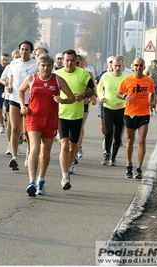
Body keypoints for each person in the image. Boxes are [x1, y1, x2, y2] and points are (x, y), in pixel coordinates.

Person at [18, 54, 75, 196]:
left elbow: (72, 97)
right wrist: (22, 106)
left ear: (52, 66)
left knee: (45, 153)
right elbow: (20, 90)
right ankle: (31, 182)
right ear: (38, 66)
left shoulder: (57, 80)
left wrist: (63, 100)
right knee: (35, 148)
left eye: (48, 65)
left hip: (50, 120)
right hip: (33, 118)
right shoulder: (32, 78)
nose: (45, 68)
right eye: (43, 65)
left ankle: (41, 180)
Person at [55, 49, 96, 190]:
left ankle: (69, 164)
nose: (69, 63)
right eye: (67, 60)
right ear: (62, 60)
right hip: (61, 115)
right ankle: (65, 176)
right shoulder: (57, 74)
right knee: (64, 146)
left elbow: (92, 90)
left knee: (73, 148)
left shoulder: (83, 74)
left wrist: (84, 96)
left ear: (75, 61)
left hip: (77, 116)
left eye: (72, 60)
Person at [117, 57, 156, 180]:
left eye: (141, 65)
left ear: (144, 67)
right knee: (130, 140)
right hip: (130, 113)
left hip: (144, 113)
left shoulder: (148, 80)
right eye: (136, 65)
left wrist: (153, 101)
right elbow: (118, 93)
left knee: (142, 140)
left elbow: (152, 92)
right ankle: (129, 165)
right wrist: (124, 97)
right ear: (133, 66)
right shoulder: (127, 80)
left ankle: (139, 168)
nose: (138, 67)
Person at [5, 40, 38, 171]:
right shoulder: (13, 63)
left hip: (29, 101)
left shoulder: (35, 64)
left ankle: (29, 152)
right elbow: (11, 79)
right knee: (14, 128)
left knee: (27, 131)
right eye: (22, 49)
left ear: (31, 51)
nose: (24, 52)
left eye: (26, 49)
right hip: (14, 99)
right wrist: (8, 86)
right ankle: (14, 157)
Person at [97, 56, 127, 166]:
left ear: (123, 66)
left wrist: (125, 98)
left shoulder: (126, 78)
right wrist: (101, 97)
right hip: (108, 107)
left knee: (118, 136)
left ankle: (114, 157)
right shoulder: (105, 77)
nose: (117, 68)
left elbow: (129, 92)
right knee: (108, 132)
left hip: (121, 109)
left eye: (119, 66)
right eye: (115, 66)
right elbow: (99, 89)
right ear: (112, 66)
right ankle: (107, 153)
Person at [0, 49, 21, 155]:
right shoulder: (10, 67)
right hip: (10, 97)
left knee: (20, 125)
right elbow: (2, 79)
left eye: (19, 56)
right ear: (12, 58)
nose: (17, 58)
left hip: (22, 99)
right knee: (11, 124)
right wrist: (7, 84)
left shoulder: (25, 66)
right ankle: (10, 144)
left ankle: (17, 140)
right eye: (16, 57)